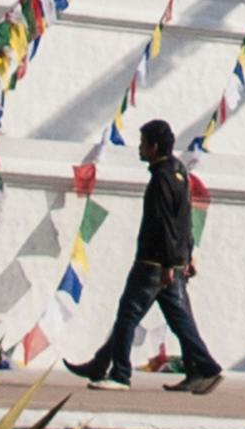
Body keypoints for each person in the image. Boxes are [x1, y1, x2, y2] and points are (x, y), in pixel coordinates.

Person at [70, 118, 225, 391]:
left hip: (154, 263)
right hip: (172, 262)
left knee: (128, 315)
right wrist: (185, 257)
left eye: (143, 144)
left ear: (154, 147)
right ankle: (201, 368)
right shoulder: (178, 173)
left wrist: (167, 263)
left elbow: (165, 223)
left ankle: (119, 374)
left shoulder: (162, 179)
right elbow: (184, 220)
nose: (139, 149)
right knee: (179, 319)